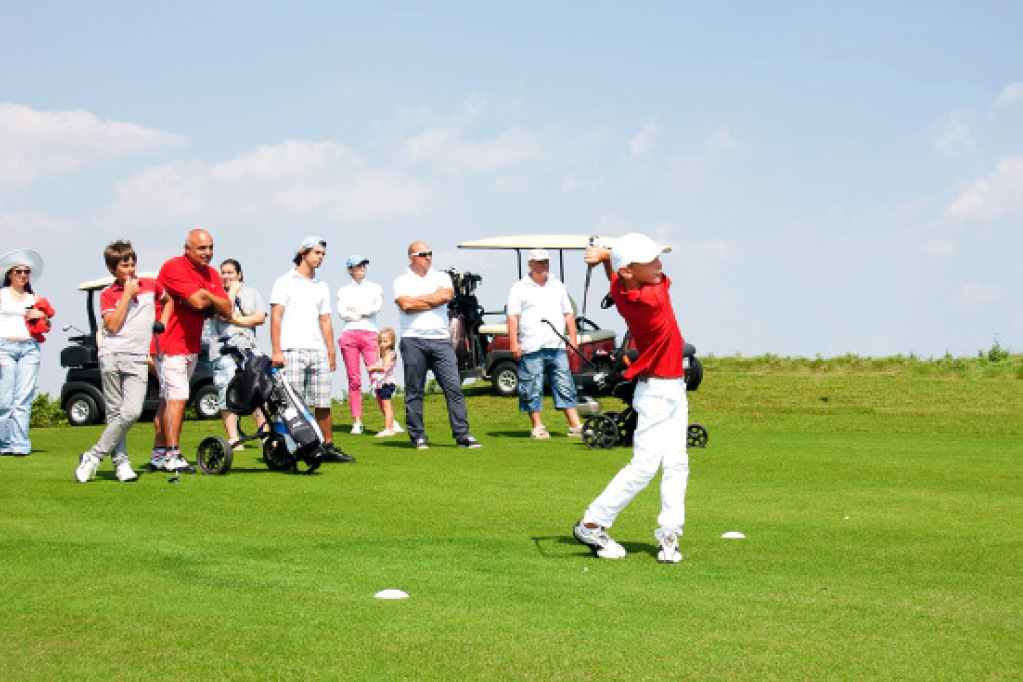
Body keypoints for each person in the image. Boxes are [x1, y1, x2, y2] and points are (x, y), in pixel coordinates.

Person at [573, 233, 689, 564]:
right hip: (657, 393)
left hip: (671, 388)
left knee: (677, 462)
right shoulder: (653, 296)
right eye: (651, 261)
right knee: (644, 467)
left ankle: (669, 533)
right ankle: (591, 523)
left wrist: (605, 258)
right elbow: (621, 273)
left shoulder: (620, 290)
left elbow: (616, 277)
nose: (659, 265)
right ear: (628, 270)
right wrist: (607, 254)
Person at [76, 240, 171, 482]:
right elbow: (113, 326)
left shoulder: (150, 285)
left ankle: (93, 456)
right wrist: (127, 295)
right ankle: (121, 463)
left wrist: (163, 321)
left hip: (138, 357)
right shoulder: (108, 294)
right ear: (112, 269)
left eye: (132, 264)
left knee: (132, 411)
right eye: (123, 266)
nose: (130, 270)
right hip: (112, 355)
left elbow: (168, 300)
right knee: (114, 413)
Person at [149, 229, 233, 473]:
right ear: (187, 249)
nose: (208, 253)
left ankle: (158, 454)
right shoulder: (173, 267)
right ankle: (172, 455)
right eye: (201, 248)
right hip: (169, 344)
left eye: (210, 247)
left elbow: (227, 309)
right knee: (177, 398)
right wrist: (209, 298)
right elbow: (197, 303)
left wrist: (207, 297)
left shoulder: (212, 273)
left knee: (167, 400)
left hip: (190, 345)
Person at [269, 236, 354, 463]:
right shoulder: (284, 281)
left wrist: (331, 350)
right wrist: (276, 350)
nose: (320, 258)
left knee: (323, 401)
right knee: (290, 403)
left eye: (323, 254)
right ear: (303, 252)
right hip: (291, 349)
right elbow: (276, 316)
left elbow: (325, 320)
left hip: (317, 349)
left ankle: (327, 446)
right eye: (317, 253)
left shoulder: (322, 286)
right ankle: (286, 448)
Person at [393, 241, 480, 450]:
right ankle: (418, 436)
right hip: (413, 339)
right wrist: (433, 299)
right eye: (423, 254)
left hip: (441, 340)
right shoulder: (401, 280)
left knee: (454, 388)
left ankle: (462, 434)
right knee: (415, 390)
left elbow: (446, 296)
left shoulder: (442, 277)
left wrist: (418, 300)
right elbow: (406, 304)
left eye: (429, 253)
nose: (428, 257)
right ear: (411, 257)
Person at [507, 248, 585, 439]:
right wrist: (514, 343)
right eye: (540, 262)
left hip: (556, 345)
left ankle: (575, 424)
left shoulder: (558, 285)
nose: (544, 265)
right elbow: (513, 317)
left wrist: (573, 339)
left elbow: (568, 314)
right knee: (531, 386)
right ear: (530, 265)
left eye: (546, 261)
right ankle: (537, 425)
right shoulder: (519, 287)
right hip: (532, 345)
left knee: (565, 384)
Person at [207, 259, 267, 450]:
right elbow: (224, 313)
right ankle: (233, 438)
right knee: (227, 391)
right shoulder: (216, 295)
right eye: (223, 273)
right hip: (224, 351)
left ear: (239, 274)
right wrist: (231, 293)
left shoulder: (252, 293)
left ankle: (264, 435)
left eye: (230, 272)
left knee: (256, 390)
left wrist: (238, 320)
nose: (226, 276)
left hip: (248, 349)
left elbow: (260, 317)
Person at [0, 249, 48, 456]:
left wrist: (42, 316)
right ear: (10, 274)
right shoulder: (2, 295)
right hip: (4, 348)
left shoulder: (34, 297)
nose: (23, 275)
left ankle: (19, 444)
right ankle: (4, 442)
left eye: (26, 272)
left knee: (23, 398)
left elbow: (46, 325)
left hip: (29, 348)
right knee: (4, 400)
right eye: (18, 271)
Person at [336, 254, 382, 435]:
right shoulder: (343, 290)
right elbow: (343, 313)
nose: (362, 268)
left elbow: (375, 308)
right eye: (358, 266)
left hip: (370, 333)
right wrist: (363, 311)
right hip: (349, 334)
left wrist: (355, 310)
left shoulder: (375, 287)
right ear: (350, 270)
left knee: (377, 377)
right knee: (354, 379)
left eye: (364, 265)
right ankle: (357, 420)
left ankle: (388, 418)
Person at [366, 328, 402, 437]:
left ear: (391, 342)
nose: (382, 344)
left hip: (386, 383)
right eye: (380, 341)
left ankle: (388, 429)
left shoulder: (390, 354)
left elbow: (385, 367)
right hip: (382, 383)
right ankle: (390, 428)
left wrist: (373, 368)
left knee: (387, 407)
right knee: (386, 406)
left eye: (385, 341)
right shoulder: (383, 353)